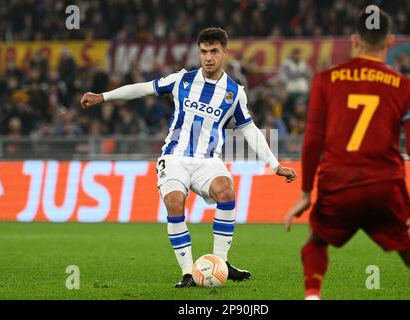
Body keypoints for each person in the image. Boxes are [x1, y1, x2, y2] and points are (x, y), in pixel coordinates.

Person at [81, 27, 297, 288]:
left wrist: (275, 165)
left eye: (214, 52)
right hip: (175, 157)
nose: (208, 57)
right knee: (175, 203)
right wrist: (103, 96)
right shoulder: (182, 80)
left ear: (225, 53)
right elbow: (143, 89)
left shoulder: (234, 92)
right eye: (204, 51)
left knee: (227, 192)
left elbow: (248, 129)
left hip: (208, 160)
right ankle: (187, 272)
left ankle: (221, 262)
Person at [285, 9, 410, 300]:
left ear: (354, 40)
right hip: (385, 186)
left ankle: (312, 295)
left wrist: (306, 191)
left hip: (338, 183)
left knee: (316, 241)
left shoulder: (326, 80)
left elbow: (312, 140)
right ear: (390, 40)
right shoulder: (407, 86)